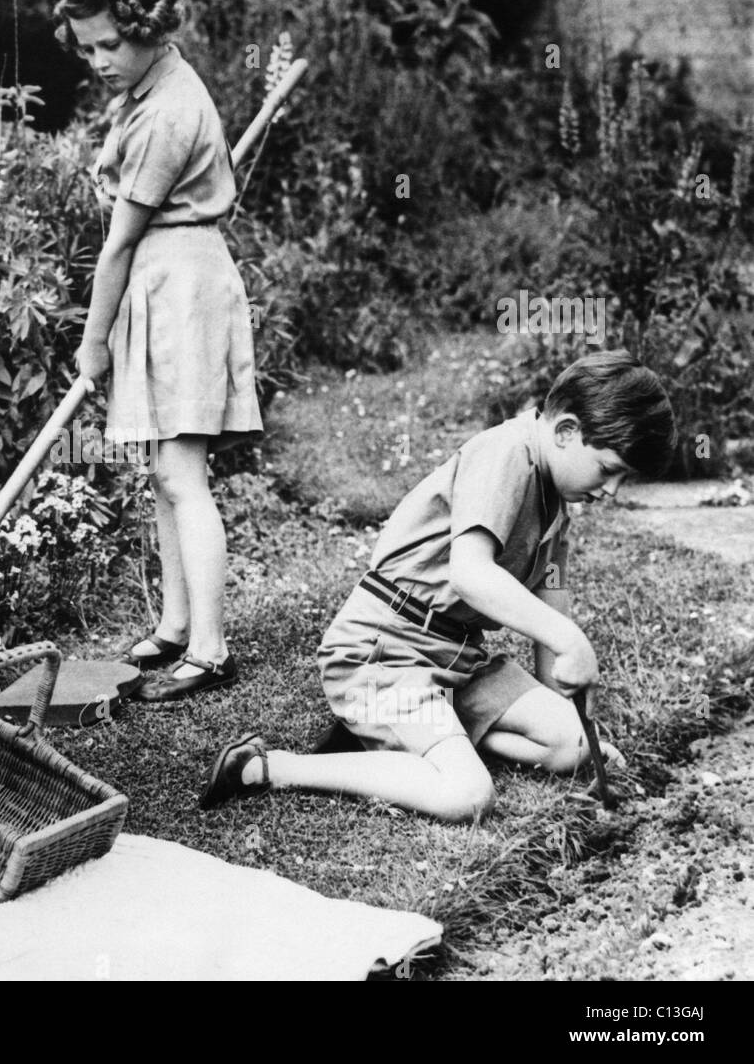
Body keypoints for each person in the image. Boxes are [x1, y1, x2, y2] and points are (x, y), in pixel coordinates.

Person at [201, 351, 677, 820]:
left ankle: (428, 734)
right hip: (385, 653)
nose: (611, 490)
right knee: (466, 795)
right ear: (567, 431)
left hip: (458, 662)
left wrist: (578, 723)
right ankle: (270, 767)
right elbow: (470, 574)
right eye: (609, 469)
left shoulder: (558, 506)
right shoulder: (506, 453)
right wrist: (571, 640)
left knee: (569, 743)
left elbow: (550, 606)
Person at [54, 0, 262, 702]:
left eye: (111, 42)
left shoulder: (169, 109)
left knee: (182, 472)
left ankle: (209, 650)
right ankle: (176, 624)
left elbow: (117, 246)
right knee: (162, 473)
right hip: (165, 279)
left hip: (181, 286)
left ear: (148, 28)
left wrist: (92, 341)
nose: (100, 59)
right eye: (88, 47)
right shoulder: (150, 89)